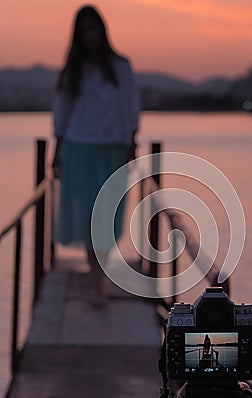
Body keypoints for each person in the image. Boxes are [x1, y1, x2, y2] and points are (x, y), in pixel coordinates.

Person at [52, 5, 140, 307]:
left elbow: (130, 106)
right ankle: (96, 283)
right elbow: (61, 114)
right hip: (79, 147)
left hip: (112, 148)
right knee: (89, 215)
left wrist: (132, 141)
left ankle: (101, 274)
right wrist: (57, 152)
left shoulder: (121, 67)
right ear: (78, 35)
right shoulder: (72, 72)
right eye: (84, 29)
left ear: (102, 30)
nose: (90, 34)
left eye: (94, 28)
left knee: (109, 216)